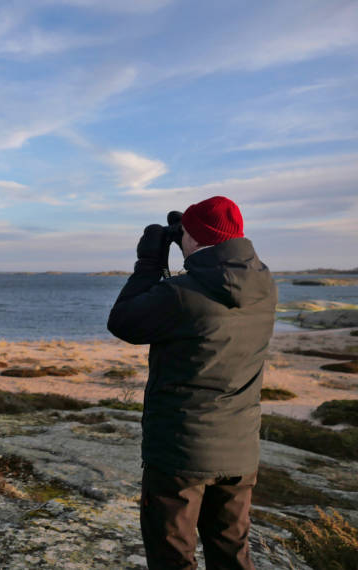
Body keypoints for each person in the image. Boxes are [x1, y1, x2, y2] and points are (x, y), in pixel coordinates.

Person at [107, 196, 277, 570]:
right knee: (232, 551)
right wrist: (185, 237)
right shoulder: (264, 286)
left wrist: (149, 263)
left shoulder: (182, 294)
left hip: (180, 454)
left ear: (196, 241)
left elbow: (123, 322)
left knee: (173, 556)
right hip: (239, 451)